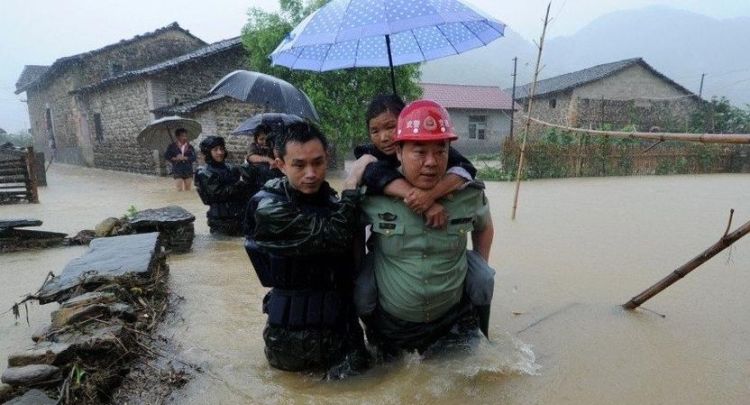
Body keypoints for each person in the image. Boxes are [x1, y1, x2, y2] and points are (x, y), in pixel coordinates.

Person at [359, 99, 495, 356]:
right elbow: (352, 234)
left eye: (440, 151)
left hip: (451, 319)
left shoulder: (468, 193)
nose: (431, 162)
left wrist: (479, 262)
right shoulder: (373, 194)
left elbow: (484, 226)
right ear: (398, 152)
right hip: (392, 325)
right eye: (420, 152)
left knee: (483, 278)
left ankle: (484, 330)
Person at [244, 121, 376, 379]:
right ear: (279, 163)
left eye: (318, 162)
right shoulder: (268, 208)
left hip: (343, 337)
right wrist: (351, 186)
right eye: (299, 164)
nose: (311, 173)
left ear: (327, 157)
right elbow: (333, 236)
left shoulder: (332, 202)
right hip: (291, 344)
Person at [355, 94, 477, 228]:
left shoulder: (432, 148)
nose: (383, 137)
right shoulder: (369, 156)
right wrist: (421, 201)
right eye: (375, 131)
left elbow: (466, 168)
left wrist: (430, 195)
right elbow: (374, 174)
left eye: (390, 127)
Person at [194, 136, 256, 236]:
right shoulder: (204, 173)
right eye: (215, 150)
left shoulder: (231, 168)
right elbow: (217, 194)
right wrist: (239, 184)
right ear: (208, 152)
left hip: (239, 217)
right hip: (220, 221)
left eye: (222, 149)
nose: (220, 152)